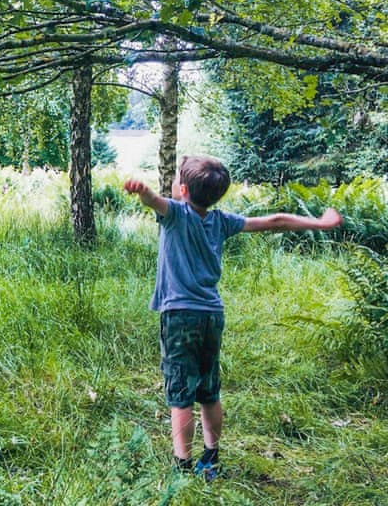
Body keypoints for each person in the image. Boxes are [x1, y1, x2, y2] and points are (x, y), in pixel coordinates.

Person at [123, 155, 343, 481]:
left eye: (177, 179)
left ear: (183, 190)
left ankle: (182, 467)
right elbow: (275, 221)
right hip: (212, 316)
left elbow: (152, 200)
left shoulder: (176, 215)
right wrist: (321, 223)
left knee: (181, 396)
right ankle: (211, 459)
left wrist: (142, 190)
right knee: (209, 391)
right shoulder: (222, 221)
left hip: (180, 317)